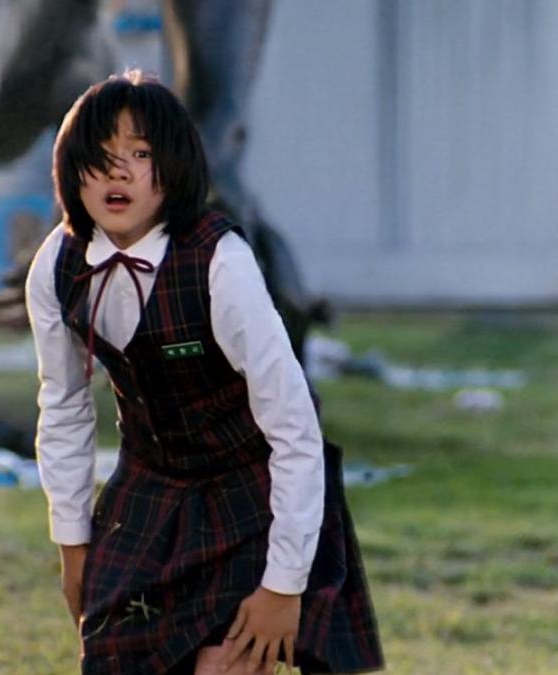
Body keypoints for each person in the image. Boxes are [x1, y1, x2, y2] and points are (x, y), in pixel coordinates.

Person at [26, 70, 383, 674]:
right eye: (103, 156)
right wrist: (73, 541)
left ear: (173, 170)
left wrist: (283, 584)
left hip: (256, 489)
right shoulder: (57, 267)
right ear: (71, 169)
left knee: (227, 667)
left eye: (141, 154)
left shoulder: (221, 261)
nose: (120, 172)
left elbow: (294, 424)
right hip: (151, 489)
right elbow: (64, 406)